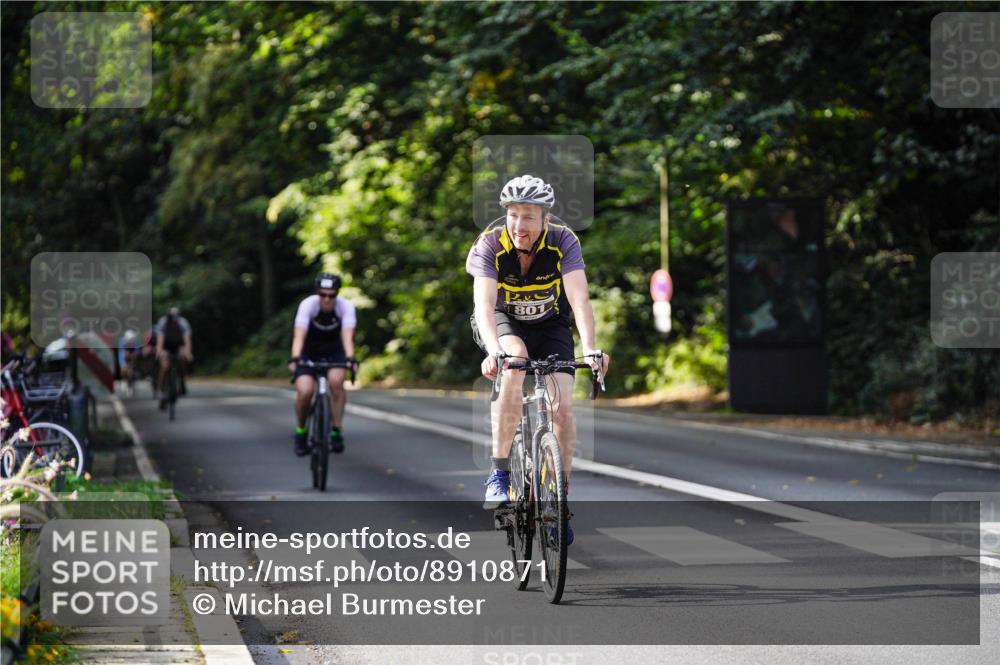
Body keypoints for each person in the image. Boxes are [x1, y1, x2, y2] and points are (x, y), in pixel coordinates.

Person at [466, 174, 609, 545]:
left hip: (550, 325)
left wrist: (591, 348)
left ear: (545, 218)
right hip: (504, 323)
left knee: (562, 405)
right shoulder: (489, 244)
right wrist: (493, 350)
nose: (519, 225)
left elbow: (579, 299)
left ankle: (559, 501)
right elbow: (483, 304)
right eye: (513, 214)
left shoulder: (563, 241)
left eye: (528, 216)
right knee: (514, 363)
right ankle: (499, 475)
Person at [288, 273, 357, 457]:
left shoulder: (346, 307)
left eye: (331, 295)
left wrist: (350, 359)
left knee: (336, 382)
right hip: (308, 351)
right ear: (318, 293)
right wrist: (295, 358)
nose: (327, 299)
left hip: (334, 351)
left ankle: (336, 430)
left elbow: (347, 337)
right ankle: (301, 431)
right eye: (323, 295)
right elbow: (299, 336)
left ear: (337, 294)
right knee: (305, 391)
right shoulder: (308, 305)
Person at [155, 307, 193, 409]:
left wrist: (188, 353)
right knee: (165, 365)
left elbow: (187, 341)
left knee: (182, 357)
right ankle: (162, 390)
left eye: (176, 320)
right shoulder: (163, 323)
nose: (174, 322)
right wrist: (159, 352)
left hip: (178, 345)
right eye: (172, 319)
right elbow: (160, 340)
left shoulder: (183, 324)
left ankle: (182, 380)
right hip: (166, 346)